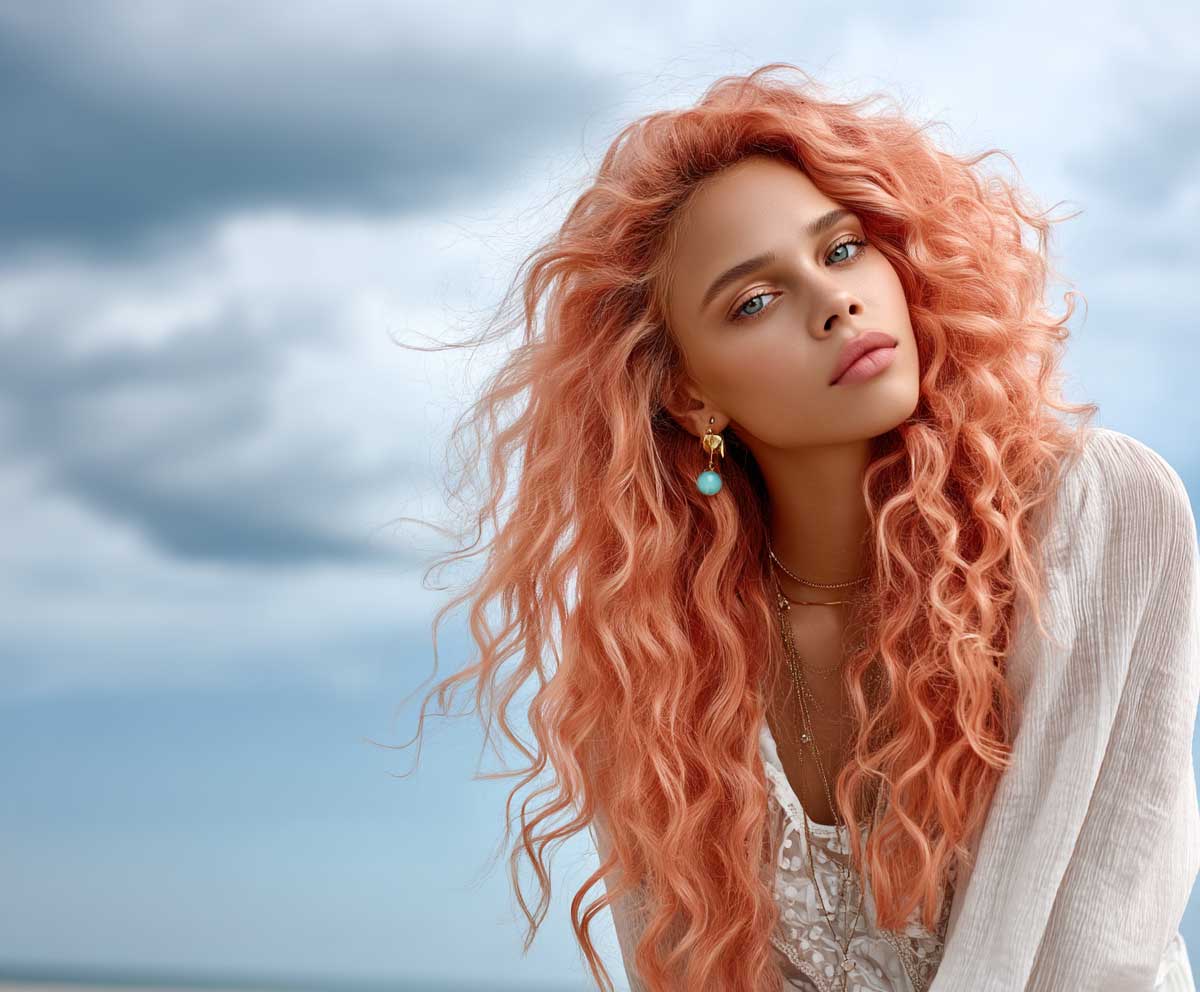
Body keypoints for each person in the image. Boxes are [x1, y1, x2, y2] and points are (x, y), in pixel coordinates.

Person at [395, 63, 1200, 991]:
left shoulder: (1100, 509)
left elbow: (1085, 950)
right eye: (754, 301)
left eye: (844, 248)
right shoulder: (649, 664)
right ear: (687, 389)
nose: (834, 302)